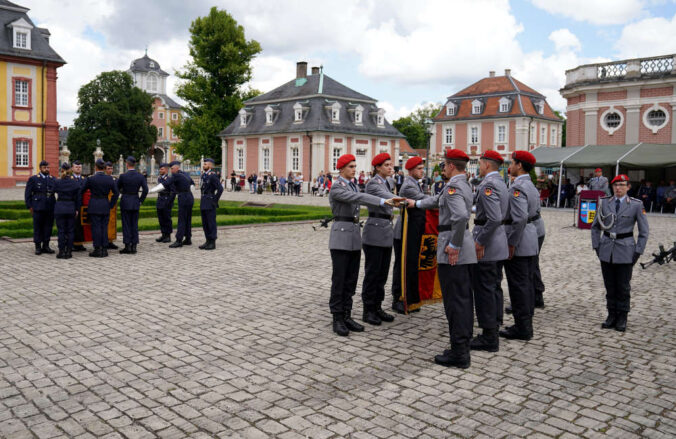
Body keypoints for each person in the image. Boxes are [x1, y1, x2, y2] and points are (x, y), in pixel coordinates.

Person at [414, 148, 477, 368]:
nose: (443, 169)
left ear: (450, 166)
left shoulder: (453, 186)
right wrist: (415, 203)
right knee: (463, 299)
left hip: (453, 248)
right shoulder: (463, 183)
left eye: (444, 165)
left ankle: (459, 353)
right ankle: (463, 344)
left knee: (455, 302)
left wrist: (453, 245)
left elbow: (460, 216)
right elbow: (436, 201)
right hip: (463, 247)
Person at [328, 154, 403, 337]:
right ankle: (337, 318)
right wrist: (381, 201)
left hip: (353, 236)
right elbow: (360, 197)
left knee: (351, 280)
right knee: (340, 280)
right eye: (351, 166)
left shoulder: (352, 184)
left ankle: (347, 315)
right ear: (342, 168)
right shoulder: (337, 187)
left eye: (355, 166)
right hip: (341, 237)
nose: (354, 169)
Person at [591, 174, 649, 332]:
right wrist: (596, 246)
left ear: (628, 187)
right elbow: (596, 226)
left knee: (623, 287)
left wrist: (638, 251)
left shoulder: (636, 205)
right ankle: (611, 315)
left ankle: (622, 316)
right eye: (615, 185)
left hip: (626, 250)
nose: (618, 188)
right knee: (609, 286)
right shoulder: (604, 202)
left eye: (622, 185)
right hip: (606, 249)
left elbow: (644, 231)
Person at [469, 151, 509, 353]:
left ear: (486, 164)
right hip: (497, 240)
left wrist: (480, 241)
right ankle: (492, 327)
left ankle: (489, 336)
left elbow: (493, 218)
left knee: (484, 289)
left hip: (488, 243)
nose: (479, 166)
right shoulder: (501, 182)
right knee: (492, 287)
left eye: (480, 163)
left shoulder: (488, 184)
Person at [500, 151, 540, 341]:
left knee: (519, 286)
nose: (511, 165)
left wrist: (511, 243)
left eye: (513, 162)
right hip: (530, 238)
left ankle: (522, 327)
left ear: (520, 165)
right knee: (526, 284)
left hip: (520, 241)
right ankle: (525, 324)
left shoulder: (518, 186)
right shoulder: (530, 184)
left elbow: (520, 218)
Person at [361, 153, 397, 326]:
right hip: (375, 232)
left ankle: (377, 306)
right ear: (377, 167)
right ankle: (368, 310)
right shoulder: (373, 184)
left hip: (386, 232)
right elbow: (388, 199)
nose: (391, 167)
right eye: (387, 165)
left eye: (391, 164)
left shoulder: (389, 182)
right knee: (373, 273)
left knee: (382, 274)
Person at [391, 156, 428, 314]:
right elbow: (425, 200)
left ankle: (409, 296)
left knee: (410, 264)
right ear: (411, 170)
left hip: (412, 229)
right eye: (419, 169)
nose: (422, 171)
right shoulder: (408, 186)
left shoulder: (415, 184)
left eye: (422, 168)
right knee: (402, 264)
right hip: (404, 231)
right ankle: (398, 297)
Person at [150, 161, 194, 248]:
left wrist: (151, 191)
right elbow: (192, 183)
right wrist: (188, 190)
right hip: (189, 197)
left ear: (177, 168)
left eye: (172, 168)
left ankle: (179, 240)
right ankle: (188, 238)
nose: (171, 170)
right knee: (187, 219)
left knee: (181, 219)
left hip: (183, 197)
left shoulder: (176, 175)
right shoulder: (185, 174)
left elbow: (165, 184)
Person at [81, 159, 119, 257]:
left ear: (95, 167)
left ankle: (98, 249)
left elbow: (81, 190)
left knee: (96, 228)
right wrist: (111, 204)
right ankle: (104, 249)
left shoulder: (91, 179)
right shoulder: (109, 179)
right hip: (105, 204)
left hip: (94, 204)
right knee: (104, 227)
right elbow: (116, 193)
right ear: (104, 168)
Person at [117, 156, 148, 254]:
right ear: (135, 164)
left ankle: (127, 246)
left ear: (126, 164)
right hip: (135, 200)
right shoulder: (140, 176)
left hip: (125, 200)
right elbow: (145, 190)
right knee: (134, 224)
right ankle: (134, 246)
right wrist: (140, 200)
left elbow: (116, 188)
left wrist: (122, 192)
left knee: (126, 224)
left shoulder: (123, 176)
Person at [24, 160, 56, 255]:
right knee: (38, 227)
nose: (47, 169)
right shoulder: (34, 179)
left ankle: (46, 245)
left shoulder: (52, 179)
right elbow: (28, 194)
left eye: (48, 167)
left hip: (50, 206)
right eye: (45, 168)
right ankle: (38, 246)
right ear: (40, 168)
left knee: (48, 226)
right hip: (38, 206)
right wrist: (29, 206)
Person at [53, 163, 81, 259]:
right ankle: (68, 251)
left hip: (60, 207)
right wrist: (77, 209)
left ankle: (61, 251)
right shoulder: (75, 183)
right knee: (70, 231)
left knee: (61, 231)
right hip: (71, 207)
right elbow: (78, 198)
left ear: (61, 170)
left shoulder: (57, 182)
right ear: (70, 171)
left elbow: (53, 191)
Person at [199, 158, 224, 250]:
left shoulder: (212, 176)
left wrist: (215, 200)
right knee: (205, 222)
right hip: (203, 200)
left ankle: (212, 241)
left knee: (211, 222)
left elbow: (220, 189)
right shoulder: (203, 175)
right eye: (203, 164)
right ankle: (207, 240)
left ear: (210, 166)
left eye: (205, 164)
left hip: (210, 201)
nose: (203, 165)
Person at [155, 163, 175, 243]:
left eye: (162, 169)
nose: (160, 170)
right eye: (160, 169)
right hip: (160, 199)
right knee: (161, 219)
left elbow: (173, 191)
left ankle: (168, 236)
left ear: (166, 170)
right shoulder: (159, 178)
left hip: (166, 200)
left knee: (167, 219)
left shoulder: (169, 179)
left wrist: (169, 202)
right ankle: (163, 234)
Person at [70, 160, 87, 251]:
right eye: (76, 167)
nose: (78, 168)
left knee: (81, 225)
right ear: (72, 168)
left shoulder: (84, 179)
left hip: (82, 205)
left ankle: (80, 243)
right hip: (72, 205)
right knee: (73, 225)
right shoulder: (70, 179)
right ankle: (72, 243)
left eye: (80, 167)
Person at [104, 162, 120, 250]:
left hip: (113, 203)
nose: (110, 170)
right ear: (105, 169)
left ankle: (111, 240)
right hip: (105, 202)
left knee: (112, 222)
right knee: (105, 223)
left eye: (111, 169)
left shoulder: (115, 179)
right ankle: (105, 240)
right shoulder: (103, 179)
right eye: (108, 169)